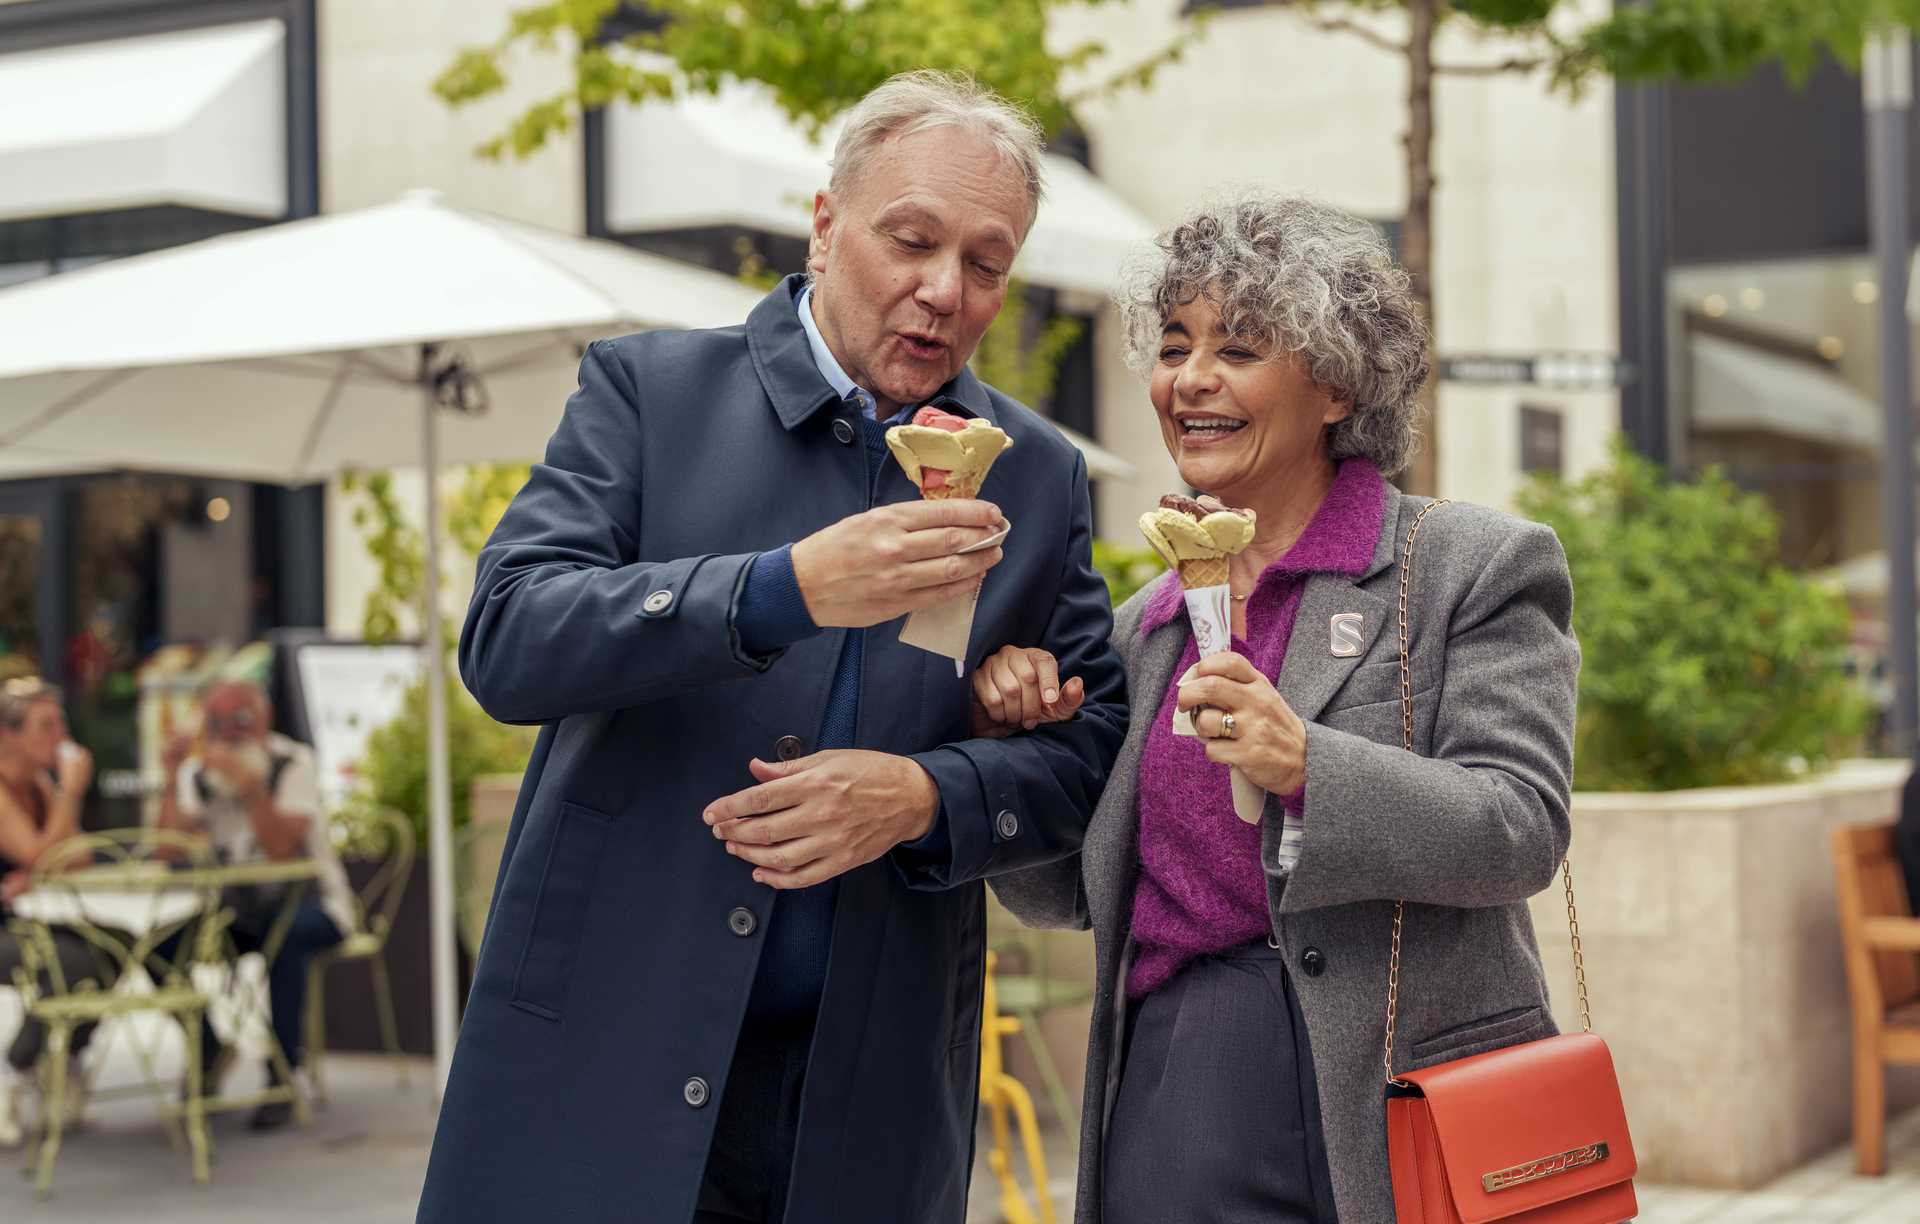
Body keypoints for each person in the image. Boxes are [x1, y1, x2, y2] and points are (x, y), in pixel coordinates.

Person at [415, 70, 1127, 1224]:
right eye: (912, 241)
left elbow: (1089, 756)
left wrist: (925, 795)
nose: (945, 290)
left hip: (871, 1098)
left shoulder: (1038, 474)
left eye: (987, 264)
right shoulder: (647, 392)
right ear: (826, 224)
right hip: (603, 1066)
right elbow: (507, 638)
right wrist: (777, 591)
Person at [984, 192, 1581, 1224]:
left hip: (1409, 1091)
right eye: (1175, 346)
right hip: (1182, 1088)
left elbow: (1520, 829)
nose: (1191, 378)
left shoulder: (1468, 567)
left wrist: (1308, 764)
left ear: (1337, 383)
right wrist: (1011, 748)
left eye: (1240, 348)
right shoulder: (1138, 631)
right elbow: (1063, 896)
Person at [156, 679, 352, 1131]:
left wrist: (249, 788)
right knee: (159, 948)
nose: (229, 730)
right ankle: (208, 1048)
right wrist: (171, 773)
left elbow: (282, 848)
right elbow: (167, 849)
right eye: (216, 720)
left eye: (239, 718)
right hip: (237, 911)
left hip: (312, 904)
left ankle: (283, 1071)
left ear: (264, 718)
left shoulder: (292, 761)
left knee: (287, 938)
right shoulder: (199, 773)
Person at [0, 678, 98, 1148]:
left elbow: (77, 857)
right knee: (71, 962)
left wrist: (35, 869)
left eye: (60, 723)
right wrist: (71, 793)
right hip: (7, 927)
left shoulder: (39, 786)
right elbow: (40, 854)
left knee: (111, 950)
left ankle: (66, 1062)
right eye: (46, 725)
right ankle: (15, 1069)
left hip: (21, 920)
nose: (60, 735)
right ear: (8, 734)